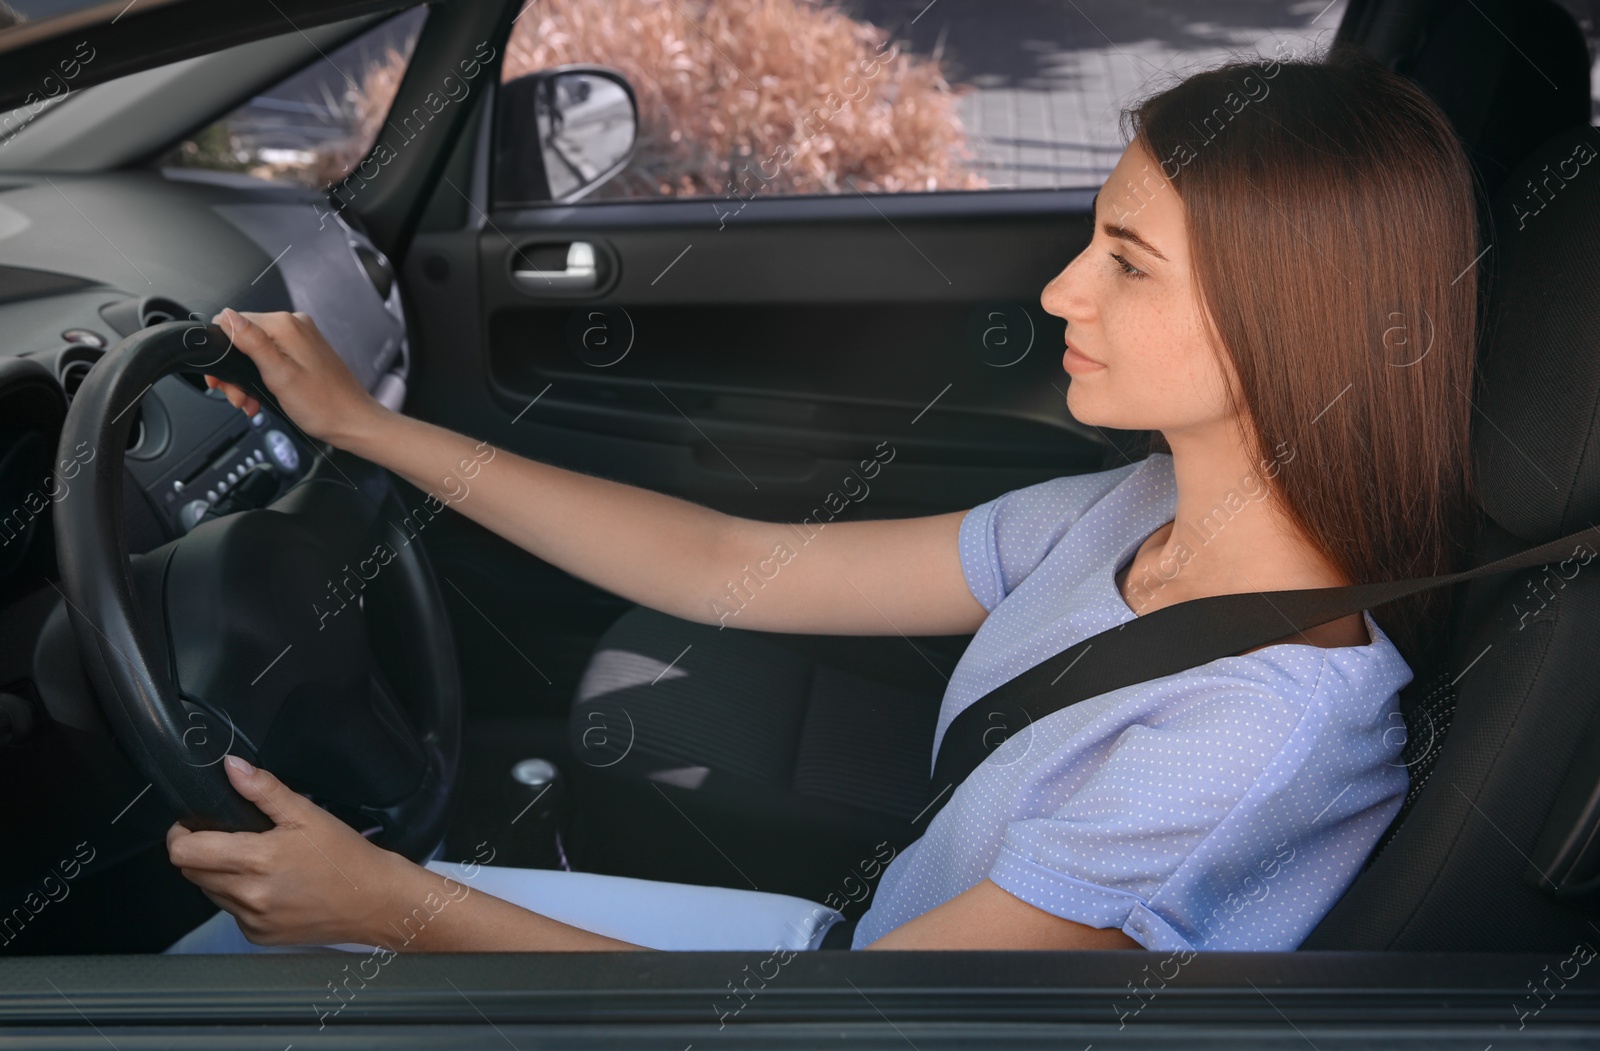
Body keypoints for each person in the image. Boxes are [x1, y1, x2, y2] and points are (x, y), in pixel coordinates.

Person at [164, 47, 1478, 955]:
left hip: (847, 1019)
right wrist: (371, 432)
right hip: (853, 970)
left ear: (1284, 322)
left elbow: (867, 1029)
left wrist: (390, 908)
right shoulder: (1142, 513)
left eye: (1126, 264)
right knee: (237, 942)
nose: (1063, 294)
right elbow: (731, 561)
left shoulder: (1243, 748)